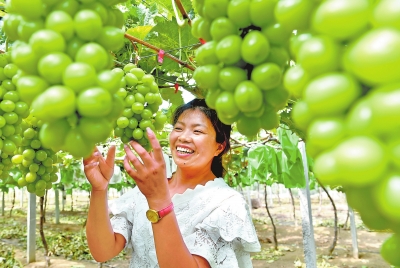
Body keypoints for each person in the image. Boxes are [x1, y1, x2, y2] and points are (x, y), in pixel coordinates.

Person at [83, 98, 261, 268]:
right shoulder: (145, 191)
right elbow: (103, 251)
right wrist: (99, 190)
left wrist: (159, 200)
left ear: (219, 147)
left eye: (197, 131)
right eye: (178, 128)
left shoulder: (227, 203)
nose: (183, 137)